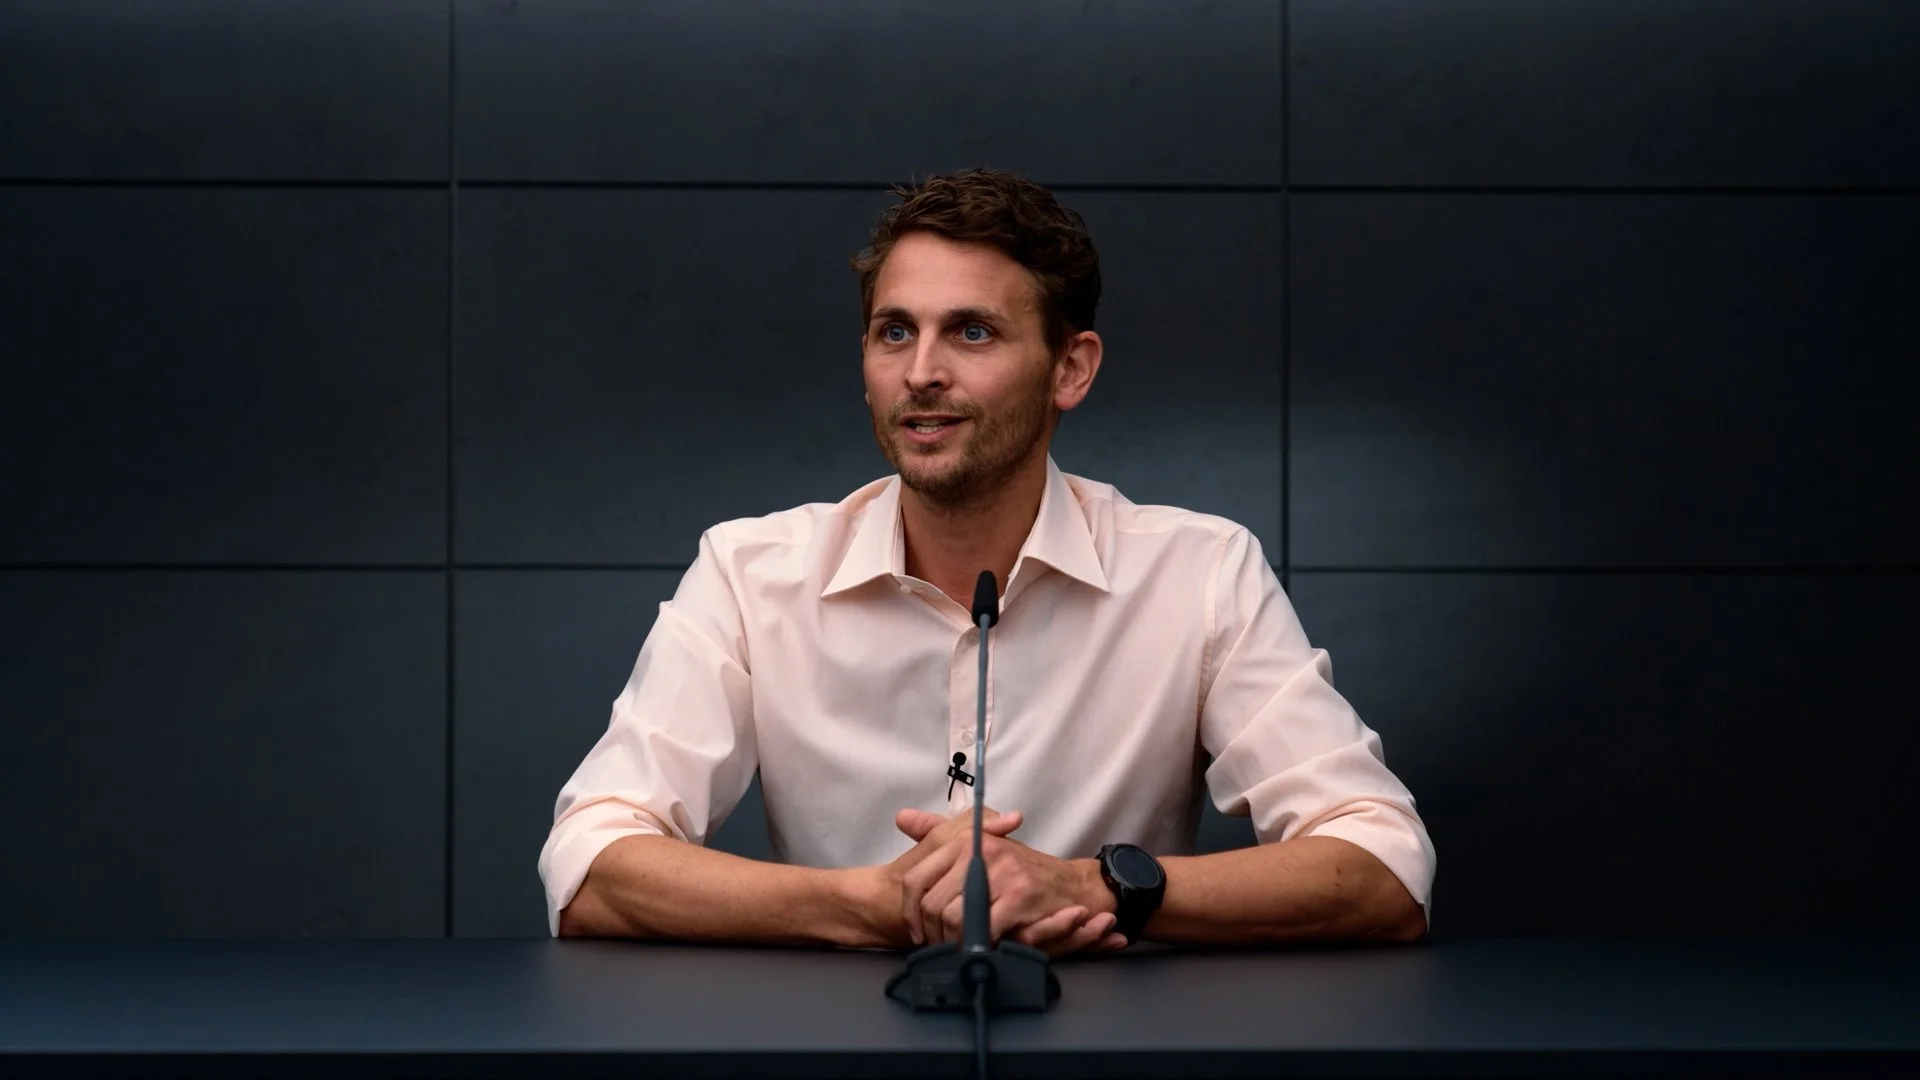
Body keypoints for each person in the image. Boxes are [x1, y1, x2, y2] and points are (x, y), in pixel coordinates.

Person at [540, 168, 1435, 955]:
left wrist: (1090, 887)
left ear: (1070, 369)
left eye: (971, 333)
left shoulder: (1200, 572)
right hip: (833, 1051)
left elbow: (1384, 866)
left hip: (1119, 1049)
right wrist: (877, 904)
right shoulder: (749, 573)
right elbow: (590, 864)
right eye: (895, 333)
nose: (921, 372)